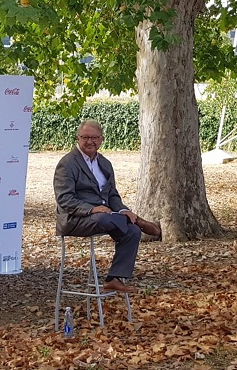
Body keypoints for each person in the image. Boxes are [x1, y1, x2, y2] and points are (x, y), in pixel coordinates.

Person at [53, 119, 161, 294]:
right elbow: (64, 199)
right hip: (76, 218)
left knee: (133, 231)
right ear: (77, 138)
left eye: (94, 137)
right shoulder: (67, 164)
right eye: (85, 137)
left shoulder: (104, 163)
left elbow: (112, 195)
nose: (89, 142)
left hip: (106, 217)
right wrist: (91, 209)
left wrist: (124, 210)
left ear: (101, 139)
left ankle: (114, 278)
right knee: (106, 218)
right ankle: (138, 221)